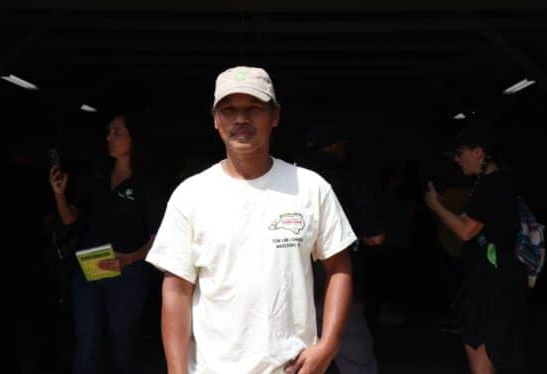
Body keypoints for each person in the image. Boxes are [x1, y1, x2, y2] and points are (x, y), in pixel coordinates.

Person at [146, 66, 355, 374]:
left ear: (275, 116)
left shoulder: (310, 188)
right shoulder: (190, 195)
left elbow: (339, 266)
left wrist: (329, 344)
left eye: (253, 109)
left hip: (291, 367)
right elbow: (177, 288)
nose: (240, 119)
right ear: (216, 120)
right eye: (229, 110)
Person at [49, 114, 165, 374]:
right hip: (90, 269)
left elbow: (157, 238)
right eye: (108, 132)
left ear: (133, 138)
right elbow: (70, 217)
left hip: (128, 273)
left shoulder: (147, 182)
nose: (108, 137)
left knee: (122, 346)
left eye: (116, 132)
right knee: (86, 343)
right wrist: (59, 194)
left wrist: (128, 259)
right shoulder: (98, 175)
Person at [424, 125, 526, 374]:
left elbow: (466, 230)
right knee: (487, 344)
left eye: (460, 153)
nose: (457, 160)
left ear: (479, 152)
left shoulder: (493, 184)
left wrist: (434, 205)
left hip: (491, 279)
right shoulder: (497, 182)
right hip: (498, 275)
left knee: (480, 342)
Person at [299, 122, 385, 374]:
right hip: (336, 277)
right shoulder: (349, 175)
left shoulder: (288, 176)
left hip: (292, 280)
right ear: (336, 146)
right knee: (355, 356)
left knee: (293, 358)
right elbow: (376, 237)